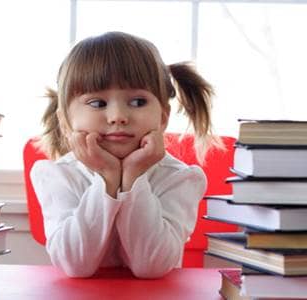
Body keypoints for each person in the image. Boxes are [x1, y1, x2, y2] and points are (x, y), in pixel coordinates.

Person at [30, 31, 219, 278]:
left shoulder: (182, 178)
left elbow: (150, 266)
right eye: (98, 103)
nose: (117, 116)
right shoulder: (56, 175)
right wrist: (108, 178)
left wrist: (132, 178)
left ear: (163, 118)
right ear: (66, 122)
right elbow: (75, 264)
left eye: (138, 102)